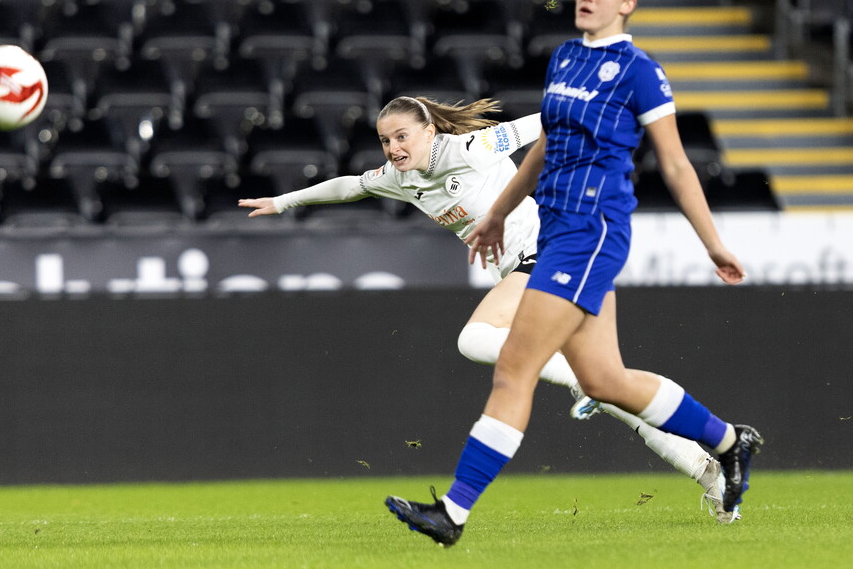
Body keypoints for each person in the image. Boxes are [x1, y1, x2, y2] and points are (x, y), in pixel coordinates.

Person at [382, 0, 763, 547]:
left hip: (592, 231)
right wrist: (499, 215)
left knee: (513, 369)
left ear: (627, 3)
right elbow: (541, 151)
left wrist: (713, 243)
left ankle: (452, 514)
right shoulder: (566, 60)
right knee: (607, 379)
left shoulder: (640, 72)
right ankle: (728, 443)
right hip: (560, 228)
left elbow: (676, 163)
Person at [239, 94, 736, 525]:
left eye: (402, 136)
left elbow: (541, 123)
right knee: (612, 392)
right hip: (532, 265)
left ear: (430, 131)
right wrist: (282, 202)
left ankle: (584, 385)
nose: (393, 148)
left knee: (475, 338)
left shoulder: (471, 148)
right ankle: (712, 473)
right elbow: (349, 185)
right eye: (386, 140)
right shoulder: (399, 177)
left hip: (551, 251)